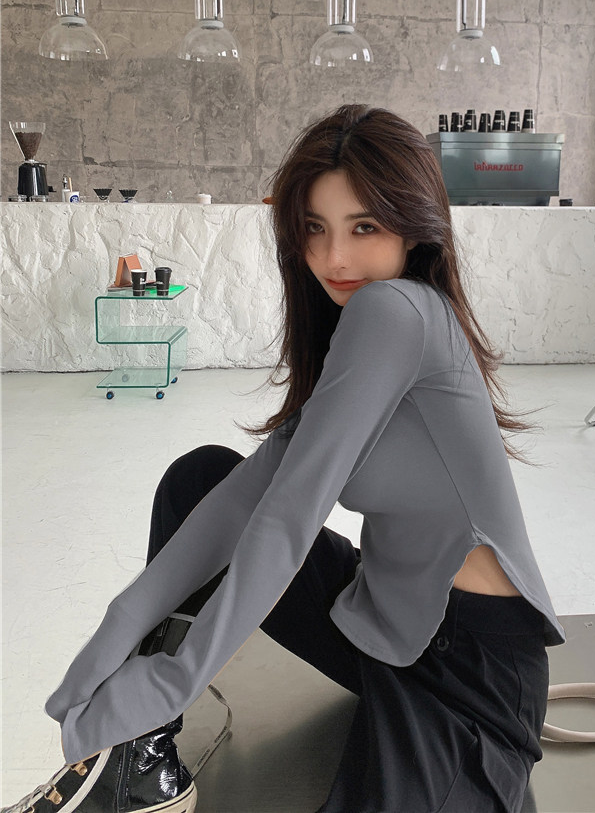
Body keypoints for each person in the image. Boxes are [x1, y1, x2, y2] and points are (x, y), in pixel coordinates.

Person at [3, 105, 564, 813]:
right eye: (314, 228)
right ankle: (137, 764)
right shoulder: (364, 322)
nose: (333, 259)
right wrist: (111, 643)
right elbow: (245, 497)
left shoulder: (396, 313)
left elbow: (288, 519)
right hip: (376, 621)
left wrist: (172, 679)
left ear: (414, 222)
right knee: (202, 480)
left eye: (364, 227)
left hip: (472, 671)